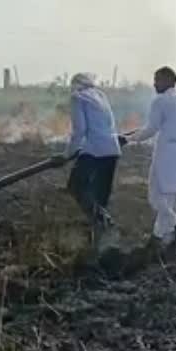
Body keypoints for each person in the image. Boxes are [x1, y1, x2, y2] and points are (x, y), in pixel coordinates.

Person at [126, 66, 176, 252]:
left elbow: (151, 129)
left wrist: (128, 139)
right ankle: (159, 238)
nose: (154, 84)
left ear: (167, 81)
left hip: (167, 151)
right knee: (171, 197)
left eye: (157, 80)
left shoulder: (160, 101)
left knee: (156, 196)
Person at [64, 72, 123, 250]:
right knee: (100, 195)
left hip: (94, 150)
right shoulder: (101, 96)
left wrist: (68, 154)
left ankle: (104, 223)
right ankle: (101, 241)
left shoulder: (77, 98)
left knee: (75, 186)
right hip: (112, 150)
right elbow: (110, 123)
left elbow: (80, 130)